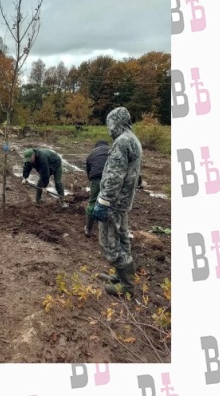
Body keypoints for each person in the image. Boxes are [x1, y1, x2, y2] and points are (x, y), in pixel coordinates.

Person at [91, 107, 143, 297]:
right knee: (122, 238)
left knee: (109, 244)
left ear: (116, 122)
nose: (109, 129)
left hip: (113, 203)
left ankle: (126, 286)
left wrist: (103, 201)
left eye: (110, 125)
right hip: (124, 202)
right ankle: (121, 277)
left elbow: (114, 175)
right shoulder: (133, 139)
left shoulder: (122, 142)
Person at [84, 140, 110, 237]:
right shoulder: (112, 150)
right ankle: (108, 230)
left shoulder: (92, 153)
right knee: (110, 202)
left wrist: (91, 181)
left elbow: (88, 170)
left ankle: (88, 229)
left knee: (93, 202)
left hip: (96, 178)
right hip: (110, 179)